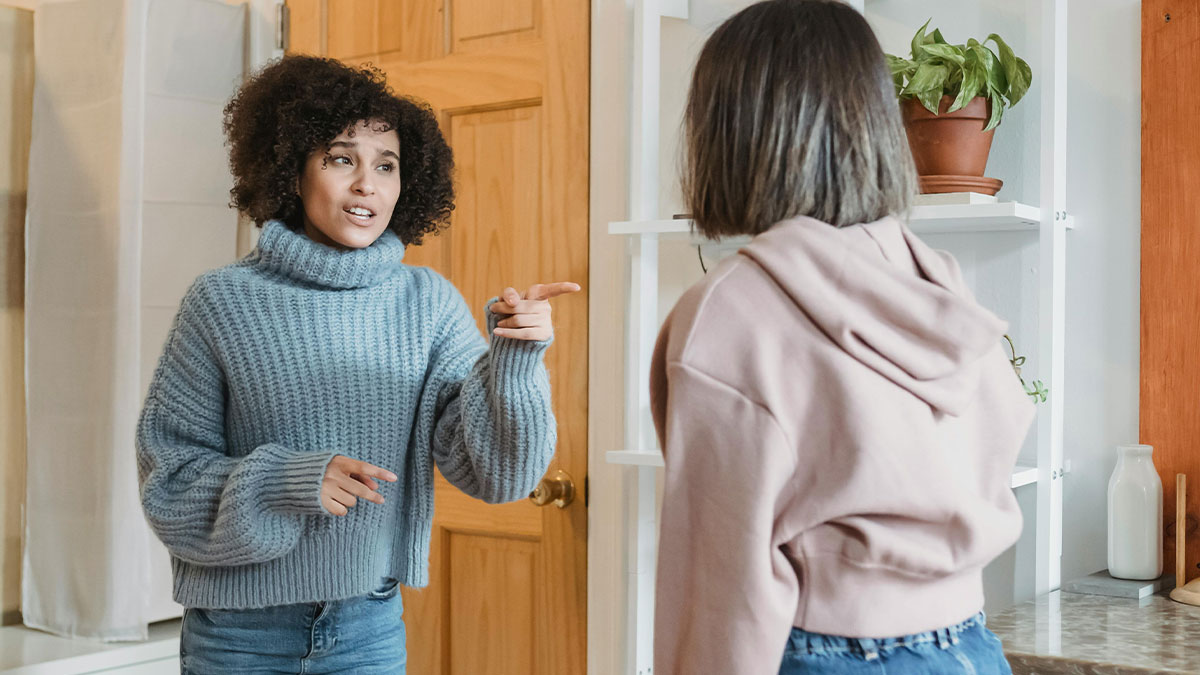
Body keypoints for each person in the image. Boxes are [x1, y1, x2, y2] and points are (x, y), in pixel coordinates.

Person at [136, 55, 577, 673]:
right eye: (342, 158)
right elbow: (170, 483)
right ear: (292, 170)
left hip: (367, 629)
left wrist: (515, 360)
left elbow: (498, 477)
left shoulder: (429, 305)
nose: (367, 184)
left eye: (387, 165)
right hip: (239, 636)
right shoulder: (221, 303)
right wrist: (285, 483)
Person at [649, 1, 1033, 673]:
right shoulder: (932, 279)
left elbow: (720, 578)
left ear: (729, 129)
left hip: (828, 649)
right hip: (971, 645)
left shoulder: (729, 310)